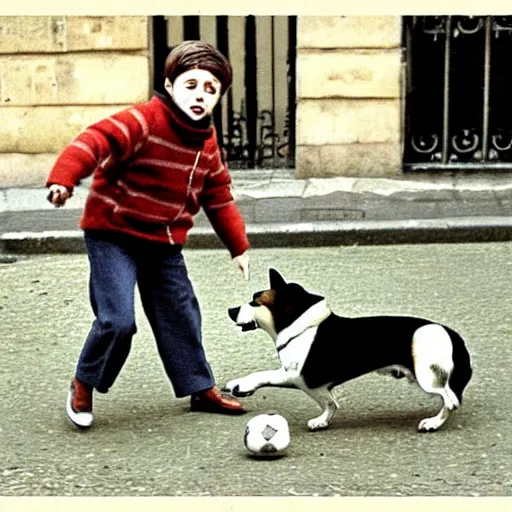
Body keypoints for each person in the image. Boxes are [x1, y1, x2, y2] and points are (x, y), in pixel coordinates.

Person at [46, 41, 250, 429]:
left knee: (181, 313)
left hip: (163, 243)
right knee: (117, 321)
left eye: (211, 89)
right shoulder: (144, 121)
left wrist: (238, 245)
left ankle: (199, 387)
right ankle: (83, 383)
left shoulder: (206, 143)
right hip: (114, 234)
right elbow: (95, 139)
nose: (200, 95)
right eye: (191, 85)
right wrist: (64, 178)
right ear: (170, 86)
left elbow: (218, 195)